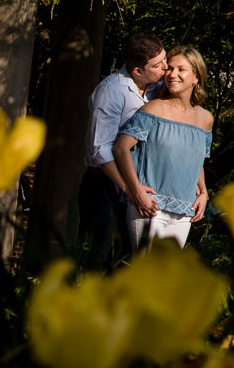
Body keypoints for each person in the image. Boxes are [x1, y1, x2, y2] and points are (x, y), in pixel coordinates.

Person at [113, 45, 213, 249]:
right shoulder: (154, 108)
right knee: (145, 276)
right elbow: (121, 148)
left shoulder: (205, 119)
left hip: (184, 211)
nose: (172, 74)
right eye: (170, 68)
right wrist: (136, 192)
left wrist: (204, 192)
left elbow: (196, 159)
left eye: (181, 69)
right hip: (150, 207)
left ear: (196, 77)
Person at [79, 34, 167, 263]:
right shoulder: (111, 91)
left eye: (164, 59)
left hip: (141, 184)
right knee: (102, 259)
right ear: (138, 71)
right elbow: (101, 150)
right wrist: (131, 191)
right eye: (158, 65)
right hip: (106, 185)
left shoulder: (155, 88)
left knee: (130, 261)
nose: (165, 68)